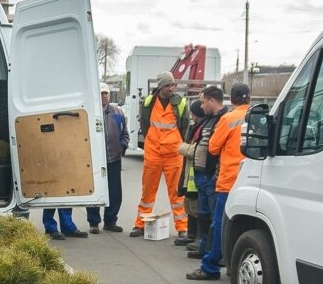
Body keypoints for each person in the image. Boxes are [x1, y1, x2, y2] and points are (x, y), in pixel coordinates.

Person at [187, 83, 251, 281]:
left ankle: (210, 267)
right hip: (251, 179)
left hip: (229, 180)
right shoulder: (257, 116)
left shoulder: (228, 119)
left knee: (219, 225)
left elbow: (213, 148)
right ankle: (235, 265)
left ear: (231, 99)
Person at [129, 72, 189, 238]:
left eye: (172, 85)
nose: (171, 88)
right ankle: (139, 224)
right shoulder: (149, 101)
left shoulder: (180, 103)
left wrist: (177, 142)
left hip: (173, 154)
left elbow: (185, 126)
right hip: (153, 152)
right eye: (168, 85)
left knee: (177, 193)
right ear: (161, 86)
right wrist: (152, 140)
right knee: (147, 192)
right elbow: (145, 124)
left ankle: (182, 228)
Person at [176, 89, 227, 255]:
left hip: (212, 177)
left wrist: (214, 174)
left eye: (203, 102)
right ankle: (204, 247)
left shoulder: (223, 120)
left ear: (212, 101)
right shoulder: (209, 120)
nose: (201, 106)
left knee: (213, 218)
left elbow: (216, 149)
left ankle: (214, 252)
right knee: (204, 215)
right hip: (202, 175)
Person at [86, 82, 129, 233]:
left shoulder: (118, 112)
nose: (103, 96)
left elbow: (125, 133)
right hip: (95, 160)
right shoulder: (89, 112)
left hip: (114, 159)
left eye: (106, 93)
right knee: (95, 190)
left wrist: (122, 146)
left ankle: (110, 221)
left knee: (115, 191)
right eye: (101, 93)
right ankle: (93, 223)